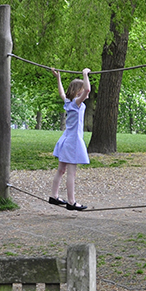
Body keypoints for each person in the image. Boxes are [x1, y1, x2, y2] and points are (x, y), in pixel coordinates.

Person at [49, 68, 91, 211]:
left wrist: (58, 78)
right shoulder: (76, 103)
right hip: (72, 142)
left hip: (65, 140)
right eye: (81, 89)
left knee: (61, 170)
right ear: (78, 91)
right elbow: (88, 90)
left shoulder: (68, 102)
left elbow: (61, 92)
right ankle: (71, 201)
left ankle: (54, 196)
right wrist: (85, 74)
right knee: (71, 173)